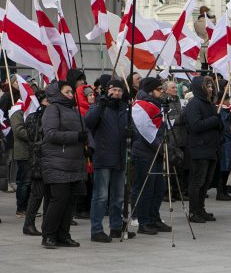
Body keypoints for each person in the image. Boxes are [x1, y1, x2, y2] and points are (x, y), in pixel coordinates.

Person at [85, 79, 138, 242]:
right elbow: (88, 122)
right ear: (107, 90)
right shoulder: (99, 107)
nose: (116, 93)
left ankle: (116, 227)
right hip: (103, 156)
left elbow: (134, 131)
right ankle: (96, 230)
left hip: (120, 158)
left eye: (119, 90)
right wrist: (101, 105)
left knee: (118, 197)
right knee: (100, 196)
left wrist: (131, 134)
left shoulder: (125, 109)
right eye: (113, 90)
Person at [41, 81, 88, 248]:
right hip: (57, 162)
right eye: (67, 92)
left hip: (74, 163)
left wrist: (89, 143)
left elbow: (85, 132)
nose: (71, 94)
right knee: (59, 199)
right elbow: (51, 134)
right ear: (58, 93)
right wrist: (76, 136)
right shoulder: (53, 109)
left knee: (70, 202)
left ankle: (63, 235)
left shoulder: (74, 110)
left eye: (71, 92)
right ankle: (48, 235)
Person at [131, 77, 170, 235]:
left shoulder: (156, 104)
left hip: (156, 152)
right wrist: (161, 147)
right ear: (150, 90)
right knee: (146, 188)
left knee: (158, 188)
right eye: (159, 89)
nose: (162, 92)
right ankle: (144, 221)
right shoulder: (140, 106)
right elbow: (145, 131)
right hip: (144, 152)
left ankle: (154, 217)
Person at [185, 76, 221, 223]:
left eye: (212, 86)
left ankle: (201, 208)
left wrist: (219, 122)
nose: (211, 89)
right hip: (199, 148)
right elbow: (195, 125)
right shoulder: (194, 104)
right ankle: (194, 211)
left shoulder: (210, 104)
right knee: (197, 181)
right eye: (208, 86)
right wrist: (214, 120)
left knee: (206, 182)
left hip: (211, 148)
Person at [23, 90, 49, 235]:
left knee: (47, 195)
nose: (49, 104)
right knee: (37, 194)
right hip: (38, 161)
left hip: (45, 160)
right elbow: (34, 137)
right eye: (46, 101)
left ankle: (46, 224)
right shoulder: (35, 117)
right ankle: (28, 224)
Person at [10, 101, 32, 217]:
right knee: (24, 181)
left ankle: (28, 207)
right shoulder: (17, 112)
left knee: (29, 182)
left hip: (30, 152)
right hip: (23, 152)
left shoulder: (29, 111)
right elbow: (18, 131)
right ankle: (21, 208)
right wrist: (33, 135)